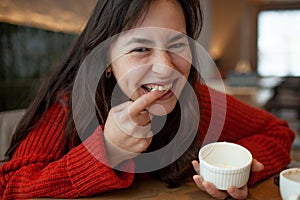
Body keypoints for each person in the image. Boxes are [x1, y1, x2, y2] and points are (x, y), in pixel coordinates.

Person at [0, 0, 295, 199]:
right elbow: (10, 186)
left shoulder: (196, 100)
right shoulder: (67, 107)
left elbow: (278, 132)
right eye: (141, 48)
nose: (167, 67)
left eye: (178, 45)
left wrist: (236, 171)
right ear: (105, 59)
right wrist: (108, 151)